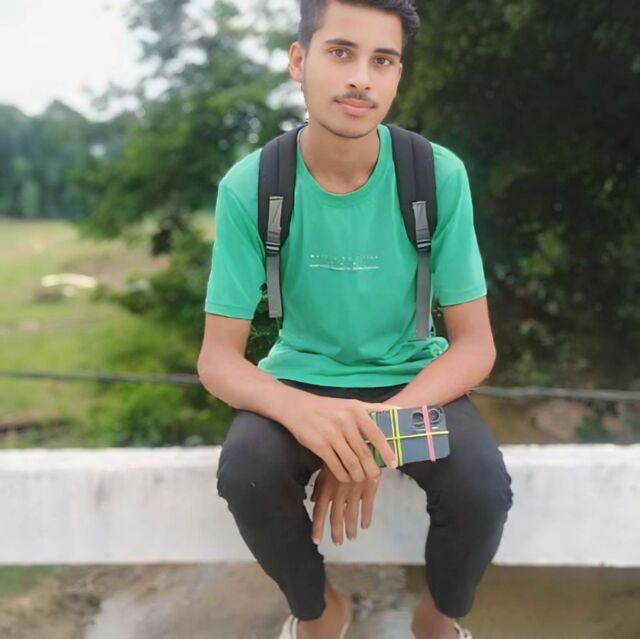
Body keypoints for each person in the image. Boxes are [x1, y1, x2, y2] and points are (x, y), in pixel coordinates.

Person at [197, 1, 514, 638]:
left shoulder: (435, 176)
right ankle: (319, 610)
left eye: (383, 61)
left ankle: (439, 616)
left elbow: (474, 346)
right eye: (341, 52)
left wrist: (372, 435)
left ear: (398, 76)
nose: (361, 78)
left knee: (481, 487)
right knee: (248, 472)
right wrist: (309, 416)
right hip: (301, 383)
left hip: (413, 383)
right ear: (299, 61)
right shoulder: (253, 186)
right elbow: (218, 359)